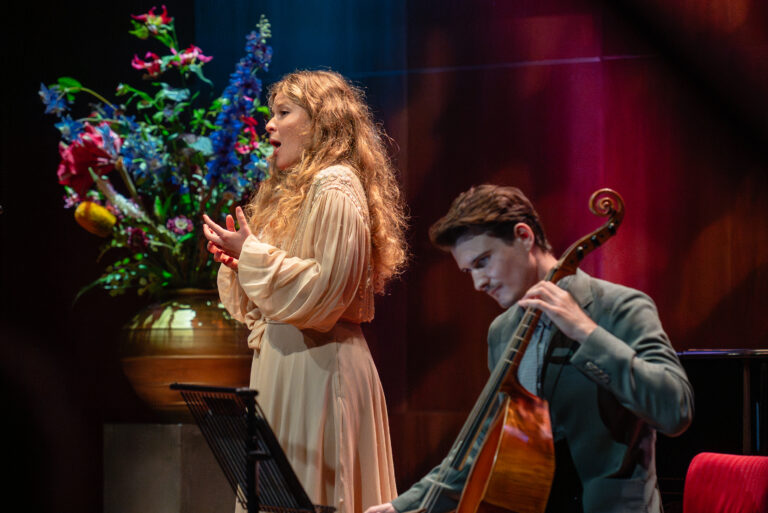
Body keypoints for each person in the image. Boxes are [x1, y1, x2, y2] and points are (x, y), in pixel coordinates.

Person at [365, 185, 693, 513]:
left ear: (524, 236)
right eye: (469, 271)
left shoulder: (619, 307)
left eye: (483, 261)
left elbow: (674, 409)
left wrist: (586, 333)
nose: (478, 282)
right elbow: (482, 446)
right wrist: (401, 508)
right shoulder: (502, 332)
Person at [202, 70, 407, 513]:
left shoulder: (335, 184)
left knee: (315, 493)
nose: (269, 125)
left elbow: (326, 290)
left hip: (318, 362)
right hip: (283, 361)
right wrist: (240, 263)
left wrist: (254, 257)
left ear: (319, 122)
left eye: (283, 113)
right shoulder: (290, 190)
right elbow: (268, 296)